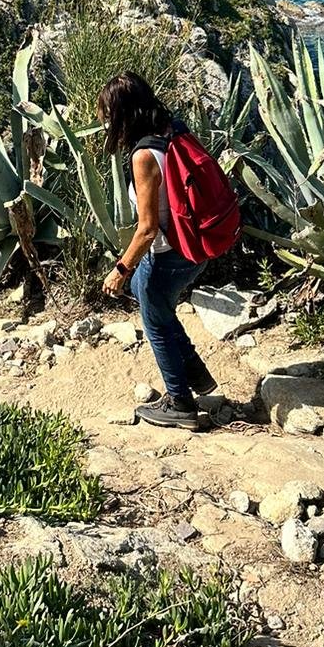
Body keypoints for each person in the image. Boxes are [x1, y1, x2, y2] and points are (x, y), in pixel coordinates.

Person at [98, 72, 218, 431]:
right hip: (199, 245)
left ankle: (180, 402)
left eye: (107, 114)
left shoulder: (144, 157)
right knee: (151, 301)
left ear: (122, 115)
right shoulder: (174, 130)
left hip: (170, 254)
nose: (103, 122)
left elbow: (148, 228)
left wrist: (120, 269)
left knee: (154, 320)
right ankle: (195, 372)